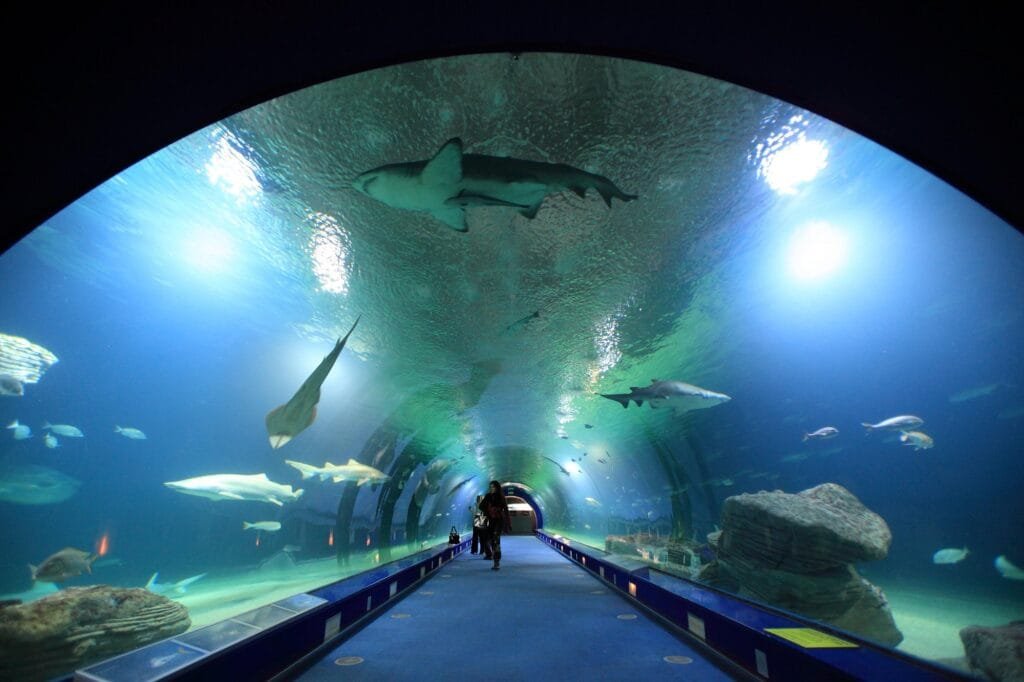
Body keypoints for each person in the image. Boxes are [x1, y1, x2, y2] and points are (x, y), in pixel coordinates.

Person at [478, 480, 510, 570]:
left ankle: (496, 562)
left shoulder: (501, 497)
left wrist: (508, 523)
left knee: (496, 540)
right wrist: (489, 510)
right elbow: (481, 506)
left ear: (497, 487)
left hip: (499, 521)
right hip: (489, 521)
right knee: (488, 540)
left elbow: (506, 510)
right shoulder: (488, 496)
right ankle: (491, 555)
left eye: (493, 487)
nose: (491, 488)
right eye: (490, 487)